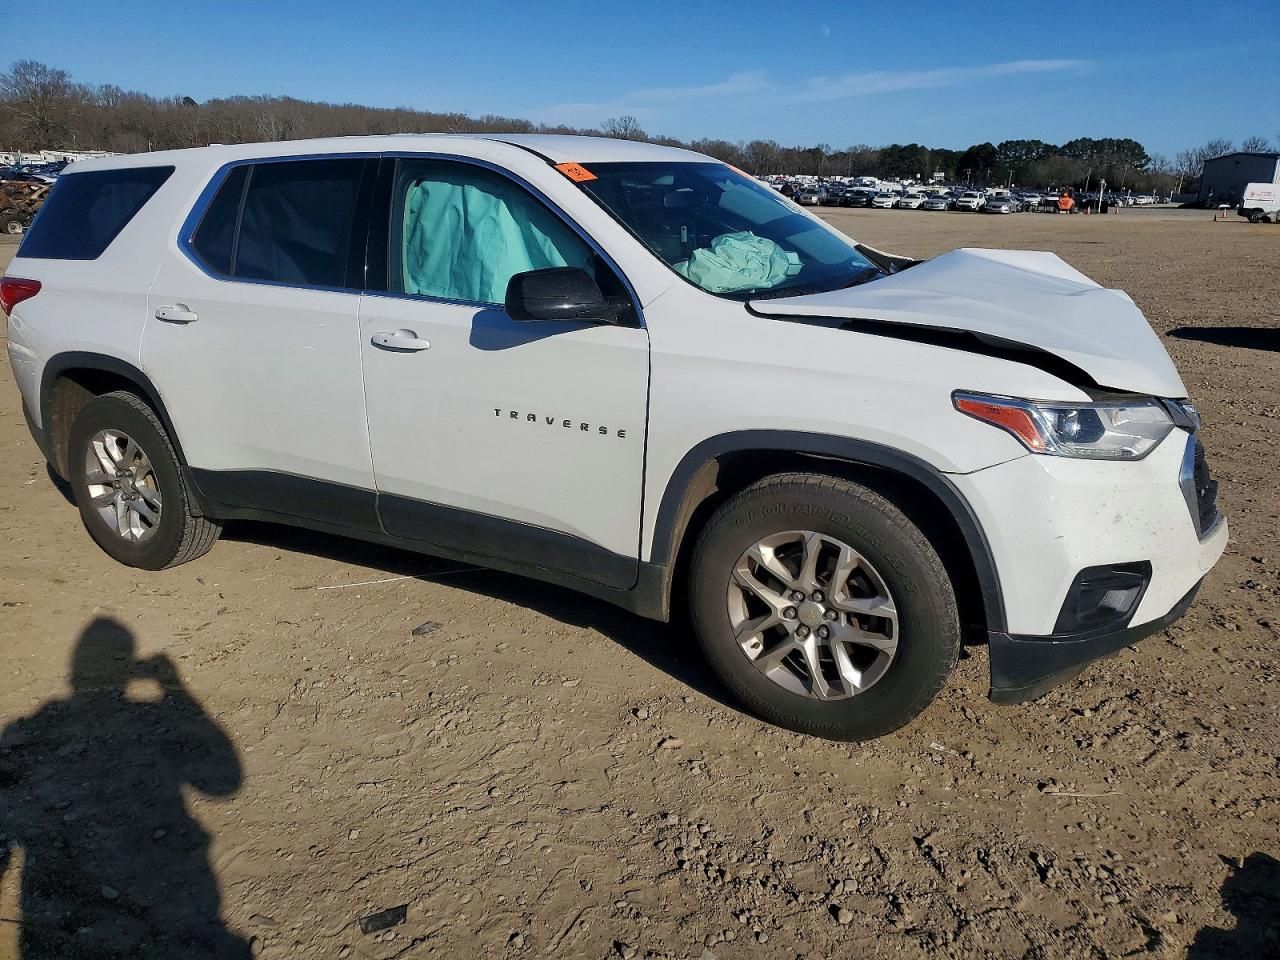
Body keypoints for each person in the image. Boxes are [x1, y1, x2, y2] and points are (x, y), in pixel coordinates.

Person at [0, 618, 249, 959]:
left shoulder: (41, 723)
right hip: (171, 892)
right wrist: (172, 684)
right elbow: (224, 782)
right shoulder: (138, 717)